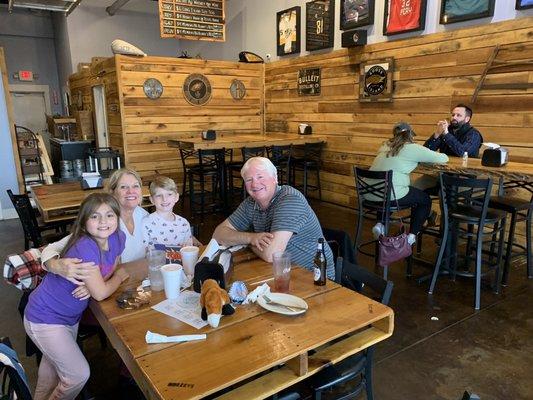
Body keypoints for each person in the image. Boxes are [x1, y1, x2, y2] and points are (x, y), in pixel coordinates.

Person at [23, 193, 129, 400]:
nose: (103, 222)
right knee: (77, 374)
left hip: (67, 318)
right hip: (45, 317)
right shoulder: (85, 246)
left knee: (51, 376)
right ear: (83, 220)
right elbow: (101, 292)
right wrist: (117, 278)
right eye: (95, 216)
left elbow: (113, 262)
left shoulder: (117, 237)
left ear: (117, 217)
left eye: (109, 215)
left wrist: (97, 281)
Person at [213, 157, 335, 280]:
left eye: (260, 177)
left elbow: (271, 254)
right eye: (249, 179)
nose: (255, 184)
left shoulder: (290, 200)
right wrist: (251, 238)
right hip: (281, 272)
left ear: (275, 178)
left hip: (314, 278)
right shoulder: (250, 203)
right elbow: (218, 234)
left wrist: (246, 242)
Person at [41, 168, 149, 283]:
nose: (131, 191)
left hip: (138, 278)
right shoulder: (105, 222)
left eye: (135, 186)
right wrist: (55, 266)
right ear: (112, 192)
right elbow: (52, 248)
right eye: (123, 187)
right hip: (112, 284)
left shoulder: (143, 215)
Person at [369, 122, 449, 241]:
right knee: (424, 200)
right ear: (411, 135)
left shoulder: (385, 145)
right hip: (388, 195)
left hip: (369, 193)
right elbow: (444, 158)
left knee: (390, 190)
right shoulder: (412, 147)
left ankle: (380, 224)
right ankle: (411, 236)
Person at [142, 175, 199, 248]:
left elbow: (188, 250)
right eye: (159, 195)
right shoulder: (146, 223)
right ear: (152, 200)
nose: (164, 199)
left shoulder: (184, 223)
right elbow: (144, 252)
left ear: (176, 197)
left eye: (169, 194)